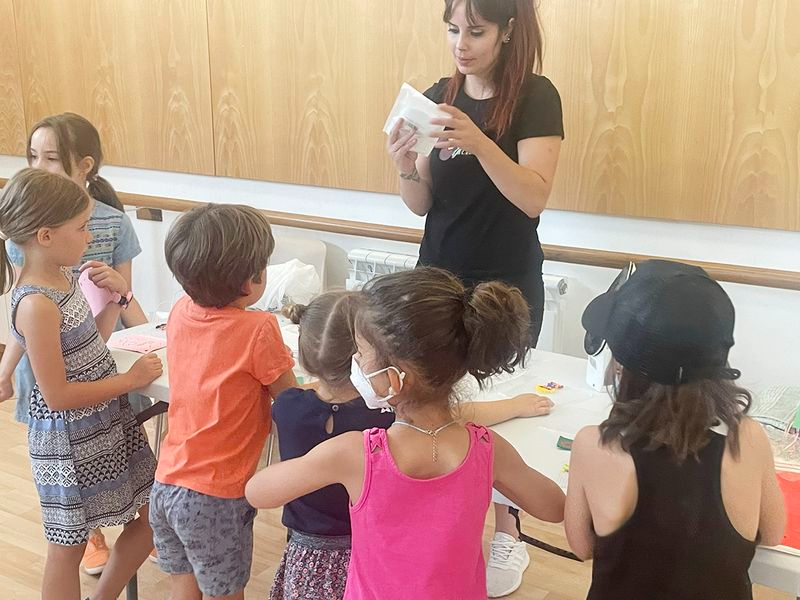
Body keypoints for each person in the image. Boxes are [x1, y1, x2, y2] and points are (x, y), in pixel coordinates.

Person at [246, 267, 565, 599]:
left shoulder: (354, 453)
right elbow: (553, 508)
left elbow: (258, 492)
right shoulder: (488, 448)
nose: (356, 360)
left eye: (361, 352)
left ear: (396, 378)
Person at [386, 2, 564, 590]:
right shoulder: (441, 94)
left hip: (506, 284)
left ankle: (507, 532)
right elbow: (420, 204)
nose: (460, 43)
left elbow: (533, 198)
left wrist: (482, 142)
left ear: (507, 30)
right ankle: (446, 523)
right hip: (437, 277)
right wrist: (405, 164)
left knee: (501, 407)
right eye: (452, 29)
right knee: (438, 402)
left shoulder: (537, 96)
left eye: (476, 31)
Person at [565, 260, 786, 600]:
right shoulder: (748, 439)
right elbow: (772, 533)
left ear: (623, 365)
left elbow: (581, 546)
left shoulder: (593, 444)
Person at [0, 168, 162, 600]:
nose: (89, 237)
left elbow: (89, 344)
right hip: (67, 441)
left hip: (106, 421)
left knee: (150, 516)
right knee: (67, 547)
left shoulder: (66, 277)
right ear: (46, 236)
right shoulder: (35, 303)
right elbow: (57, 395)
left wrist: (116, 296)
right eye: (82, 227)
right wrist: (129, 379)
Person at [149, 203, 296, 600]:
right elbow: (291, 400)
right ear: (251, 281)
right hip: (215, 497)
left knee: (185, 586)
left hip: (166, 484)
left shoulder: (180, 311)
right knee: (225, 594)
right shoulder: (260, 329)